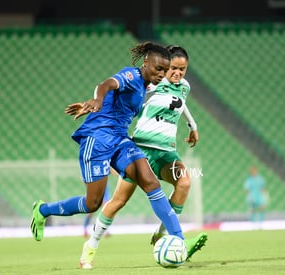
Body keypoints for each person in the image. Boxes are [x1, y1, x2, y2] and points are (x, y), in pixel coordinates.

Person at [30, 41, 195, 266]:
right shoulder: (131, 76)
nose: (162, 74)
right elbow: (106, 84)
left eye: (164, 71)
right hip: (96, 139)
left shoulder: (147, 86)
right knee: (93, 203)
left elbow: (176, 101)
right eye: (158, 69)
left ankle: (178, 238)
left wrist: (191, 126)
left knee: (150, 182)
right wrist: (97, 100)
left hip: (120, 140)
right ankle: (43, 209)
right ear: (146, 63)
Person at [80, 45, 207, 269]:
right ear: (164, 68)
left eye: (182, 69)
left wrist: (192, 125)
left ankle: (163, 235)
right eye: (173, 69)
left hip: (167, 151)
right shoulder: (151, 86)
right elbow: (122, 94)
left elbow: (181, 103)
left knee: (184, 181)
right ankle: (91, 246)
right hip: (142, 150)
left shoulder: (184, 87)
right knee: (118, 201)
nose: (177, 73)